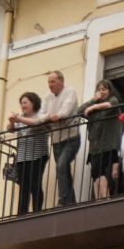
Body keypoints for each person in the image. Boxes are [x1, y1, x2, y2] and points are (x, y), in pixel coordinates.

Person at [36, 69, 81, 206]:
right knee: (64, 170)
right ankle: (70, 201)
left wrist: (51, 117)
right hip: (56, 140)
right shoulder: (47, 97)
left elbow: (64, 113)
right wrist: (50, 117)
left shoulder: (70, 92)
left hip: (71, 138)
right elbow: (40, 116)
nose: (50, 85)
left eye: (53, 81)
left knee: (61, 166)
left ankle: (62, 200)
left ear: (61, 81)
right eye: (49, 82)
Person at [79, 79, 124, 200]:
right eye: (99, 90)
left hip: (108, 144)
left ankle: (105, 198)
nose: (101, 92)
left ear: (110, 91)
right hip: (96, 146)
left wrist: (94, 106)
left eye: (104, 89)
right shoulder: (93, 108)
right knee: (95, 173)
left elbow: (110, 104)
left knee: (98, 171)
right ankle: (99, 199)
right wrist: (93, 101)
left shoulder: (113, 100)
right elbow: (79, 111)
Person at [7, 91, 48, 215]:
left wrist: (18, 118)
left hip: (38, 156)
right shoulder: (20, 117)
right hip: (21, 158)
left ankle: (37, 212)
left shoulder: (40, 115)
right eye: (21, 103)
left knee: (35, 185)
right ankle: (22, 214)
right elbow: (9, 129)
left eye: (25, 102)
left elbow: (36, 124)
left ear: (33, 102)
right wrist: (12, 121)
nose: (22, 105)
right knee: (24, 187)